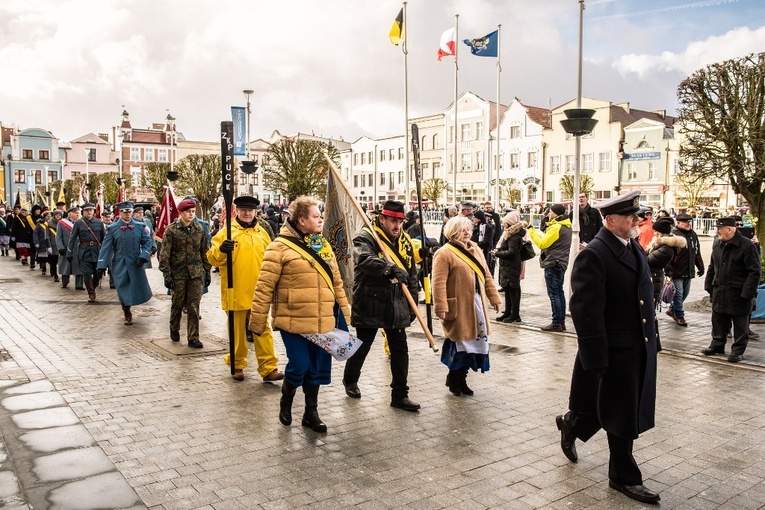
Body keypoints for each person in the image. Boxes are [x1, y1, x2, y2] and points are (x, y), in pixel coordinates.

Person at [555, 190, 661, 504]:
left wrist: (654, 339)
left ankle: (572, 423)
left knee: (611, 409)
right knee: (621, 414)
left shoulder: (633, 247)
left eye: (637, 215)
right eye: (630, 216)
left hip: (636, 347)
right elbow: (586, 312)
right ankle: (623, 477)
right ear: (611, 220)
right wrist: (596, 359)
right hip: (612, 351)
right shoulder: (595, 254)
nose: (637, 220)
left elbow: (645, 300)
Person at [249, 196, 351, 433]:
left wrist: (346, 312)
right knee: (300, 365)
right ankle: (286, 399)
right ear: (301, 219)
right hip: (292, 320)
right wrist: (256, 321)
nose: (320, 220)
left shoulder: (322, 245)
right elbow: (264, 287)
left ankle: (310, 413)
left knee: (316, 368)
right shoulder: (279, 247)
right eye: (316, 216)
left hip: (322, 319)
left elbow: (337, 282)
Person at [342, 200, 421, 412]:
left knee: (400, 349)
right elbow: (363, 259)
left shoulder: (405, 241)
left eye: (400, 221)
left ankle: (400, 394)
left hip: (396, 303)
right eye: (393, 221)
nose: (397, 226)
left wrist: (413, 302)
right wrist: (389, 268)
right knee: (362, 345)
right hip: (370, 300)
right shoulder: (366, 236)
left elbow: (411, 274)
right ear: (382, 219)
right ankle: (350, 379)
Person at [207, 195, 284, 382]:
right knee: (237, 332)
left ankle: (268, 368)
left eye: (250, 210)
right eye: (243, 210)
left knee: (262, 329)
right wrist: (221, 250)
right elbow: (212, 258)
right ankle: (237, 365)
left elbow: (273, 259)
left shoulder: (262, 233)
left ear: (256, 212)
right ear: (238, 212)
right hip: (236, 291)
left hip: (258, 291)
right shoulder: (227, 232)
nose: (247, 213)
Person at [432, 216, 501, 396]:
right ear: (453, 231)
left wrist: (494, 298)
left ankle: (461, 379)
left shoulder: (476, 249)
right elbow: (438, 283)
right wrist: (441, 306)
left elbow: (486, 275)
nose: (467, 233)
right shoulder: (444, 253)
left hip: (477, 305)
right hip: (459, 307)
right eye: (462, 230)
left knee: (475, 347)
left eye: (468, 229)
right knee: (461, 346)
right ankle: (454, 380)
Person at [702, 217, 761, 363]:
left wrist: (747, 293)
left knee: (740, 325)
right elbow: (712, 266)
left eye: (720, 229)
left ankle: (738, 350)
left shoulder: (746, 246)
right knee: (718, 320)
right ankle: (717, 345)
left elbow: (754, 272)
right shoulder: (718, 244)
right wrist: (709, 285)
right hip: (719, 290)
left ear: (730, 229)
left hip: (739, 293)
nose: (717, 231)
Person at [159, 198, 211, 348]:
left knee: (194, 305)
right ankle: (174, 327)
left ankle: (193, 337)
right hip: (178, 273)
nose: (191, 214)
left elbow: (204, 251)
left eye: (193, 211)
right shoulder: (171, 230)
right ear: (180, 213)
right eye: (188, 212)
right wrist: (166, 274)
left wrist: (207, 271)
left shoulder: (199, 229)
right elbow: (165, 254)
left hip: (195, 273)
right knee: (177, 303)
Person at [96, 202, 153, 325]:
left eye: (130, 212)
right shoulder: (112, 229)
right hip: (119, 263)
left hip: (135, 262)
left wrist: (144, 256)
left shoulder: (140, 226)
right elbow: (106, 248)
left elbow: (148, 243)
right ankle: (127, 311)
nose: (128, 214)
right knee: (122, 287)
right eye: (125, 212)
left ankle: (132, 303)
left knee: (137, 286)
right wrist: (101, 266)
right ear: (120, 212)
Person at [527, 203, 572, 332]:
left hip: (553, 263)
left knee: (554, 294)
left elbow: (542, 243)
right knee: (559, 292)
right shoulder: (566, 226)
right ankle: (561, 321)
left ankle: (556, 322)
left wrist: (531, 230)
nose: (548, 214)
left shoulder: (556, 227)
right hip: (561, 262)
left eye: (551, 212)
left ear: (556, 214)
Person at [667, 212, 704, 327]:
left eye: (689, 222)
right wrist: (668, 270)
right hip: (676, 270)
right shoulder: (673, 235)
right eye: (685, 222)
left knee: (685, 293)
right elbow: (668, 255)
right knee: (678, 294)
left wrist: (700, 267)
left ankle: (672, 309)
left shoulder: (693, 235)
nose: (688, 224)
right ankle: (679, 316)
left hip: (688, 270)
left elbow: (696, 252)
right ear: (678, 223)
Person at [67, 203, 106, 303]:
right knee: (87, 274)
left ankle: (93, 286)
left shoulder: (99, 223)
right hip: (84, 252)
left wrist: (106, 253)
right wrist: (69, 252)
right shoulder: (78, 223)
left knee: (98, 274)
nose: (89, 212)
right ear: (83, 212)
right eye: (87, 210)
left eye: (91, 210)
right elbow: (72, 238)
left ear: (94, 211)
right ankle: (91, 293)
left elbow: (104, 239)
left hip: (97, 251)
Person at [493, 211, 527, 323]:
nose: (503, 224)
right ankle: (508, 312)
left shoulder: (514, 236)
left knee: (513, 290)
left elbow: (512, 252)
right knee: (508, 288)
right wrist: (499, 251)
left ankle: (515, 314)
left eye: (505, 222)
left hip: (511, 265)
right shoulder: (510, 234)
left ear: (509, 223)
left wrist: (497, 253)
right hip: (508, 265)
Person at [645, 218, 686, 305]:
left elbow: (648, 260)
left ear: (661, 233)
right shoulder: (659, 245)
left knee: (650, 307)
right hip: (652, 277)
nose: (654, 233)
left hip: (655, 278)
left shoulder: (666, 248)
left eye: (656, 231)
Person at [56, 207, 82, 289]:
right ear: (70, 214)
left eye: (78, 213)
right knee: (65, 266)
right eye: (76, 213)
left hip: (78, 248)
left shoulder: (81, 222)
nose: (78, 214)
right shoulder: (62, 223)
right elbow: (58, 237)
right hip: (66, 248)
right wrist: (60, 247)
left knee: (79, 267)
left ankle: (79, 285)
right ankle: (65, 282)